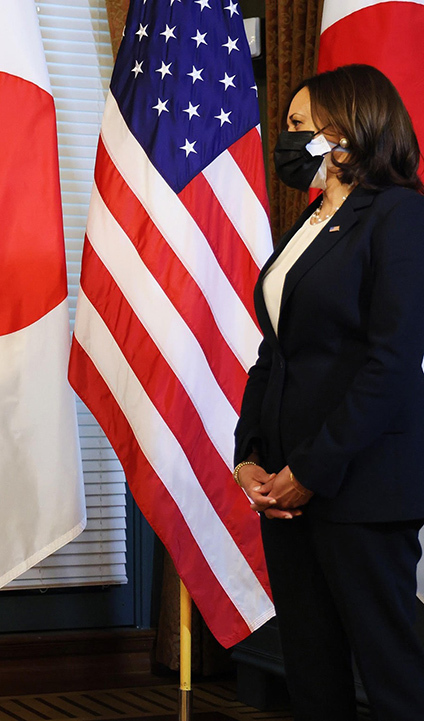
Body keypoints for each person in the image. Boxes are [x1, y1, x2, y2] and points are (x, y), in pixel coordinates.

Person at [234, 64, 424, 720]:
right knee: (313, 681)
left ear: (341, 130)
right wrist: (249, 453)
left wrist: (310, 470)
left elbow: (391, 362)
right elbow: (275, 349)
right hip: (287, 494)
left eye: (295, 126)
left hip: (362, 490)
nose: (284, 140)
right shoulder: (310, 222)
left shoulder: (398, 215)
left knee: (394, 676)